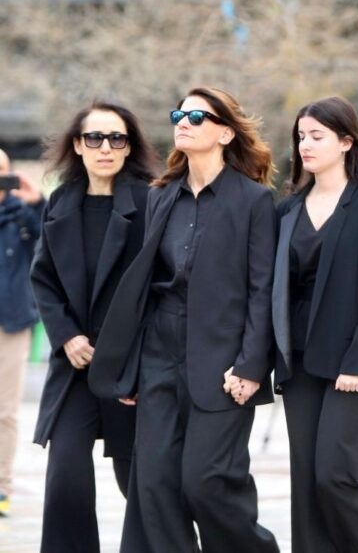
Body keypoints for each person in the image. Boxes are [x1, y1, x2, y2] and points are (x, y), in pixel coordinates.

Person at [89, 87, 279, 553]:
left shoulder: (254, 201)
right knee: (152, 487)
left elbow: (262, 291)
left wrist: (253, 365)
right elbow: (146, 289)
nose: (184, 122)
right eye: (180, 114)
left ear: (225, 133)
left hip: (222, 361)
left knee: (205, 483)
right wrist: (134, 367)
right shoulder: (162, 196)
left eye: (198, 115)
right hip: (159, 352)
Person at [270, 96, 358, 552]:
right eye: (301, 136)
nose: (305, 144)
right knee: (304, 485)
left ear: (346, 142)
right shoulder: (287, 209)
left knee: (334, 478)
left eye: (316, 136)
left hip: (354, 361)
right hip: (299, 360)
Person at [30, 102, 159, 552]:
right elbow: (42, 279)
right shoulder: (61, 202)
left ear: (129, 146)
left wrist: (137, 357)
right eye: (95, 138)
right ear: (77, 146)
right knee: (65, 474)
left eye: (117, 138)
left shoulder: (151, 200)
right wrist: (66, 335)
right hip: (76, 365)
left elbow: (162, 288)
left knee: (138, 483)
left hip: (132, 368)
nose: (106, 147)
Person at [0, 148, 44, 517]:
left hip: (11, 322)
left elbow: (53, 245)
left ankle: (1, 487)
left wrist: (38, 202)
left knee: (5, 412)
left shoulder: (24, 215)